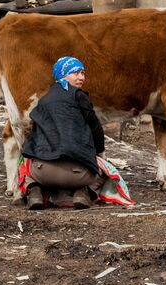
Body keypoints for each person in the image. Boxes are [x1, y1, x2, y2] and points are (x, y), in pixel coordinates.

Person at [20, 55, 105, 209]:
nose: (81, 77)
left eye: (83, 73)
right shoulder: (79, 96)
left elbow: (31, 138)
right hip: (78, 174)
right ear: (63, 75)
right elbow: (96, 128)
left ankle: (34, 190)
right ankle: (85, 192)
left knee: (25, 162)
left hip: (42, 173)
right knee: (104, 169)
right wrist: (99, 153)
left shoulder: (44, 100)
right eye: (76, 73)